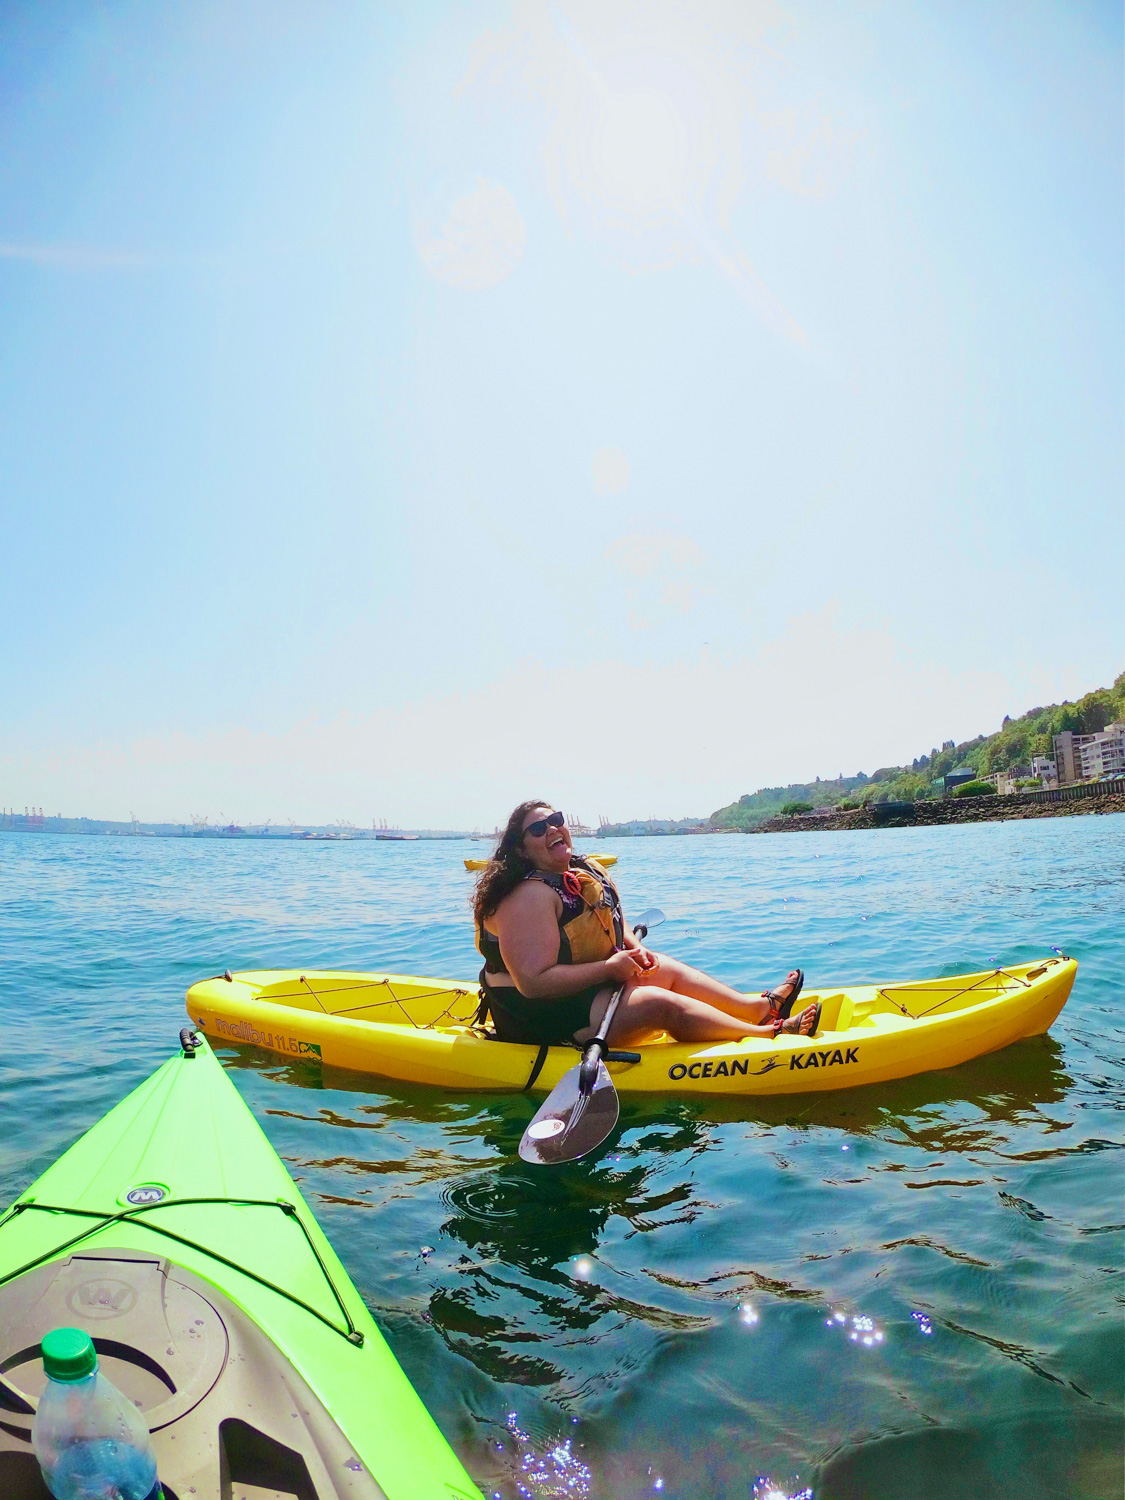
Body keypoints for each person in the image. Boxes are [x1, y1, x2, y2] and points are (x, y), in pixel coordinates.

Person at [472, 800, 820, 1048]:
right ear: (520, 850)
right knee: (656, 1003)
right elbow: (533, 983)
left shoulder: (580, 871)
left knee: (662, 968)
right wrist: (610, 969)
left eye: (556, 819)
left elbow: (610, 924)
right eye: (537, 828)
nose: (552, 828)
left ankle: (758, 1009)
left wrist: (636, 952)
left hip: (582, 992)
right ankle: (769, 1034)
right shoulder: (526, 898)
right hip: (539, 1015)